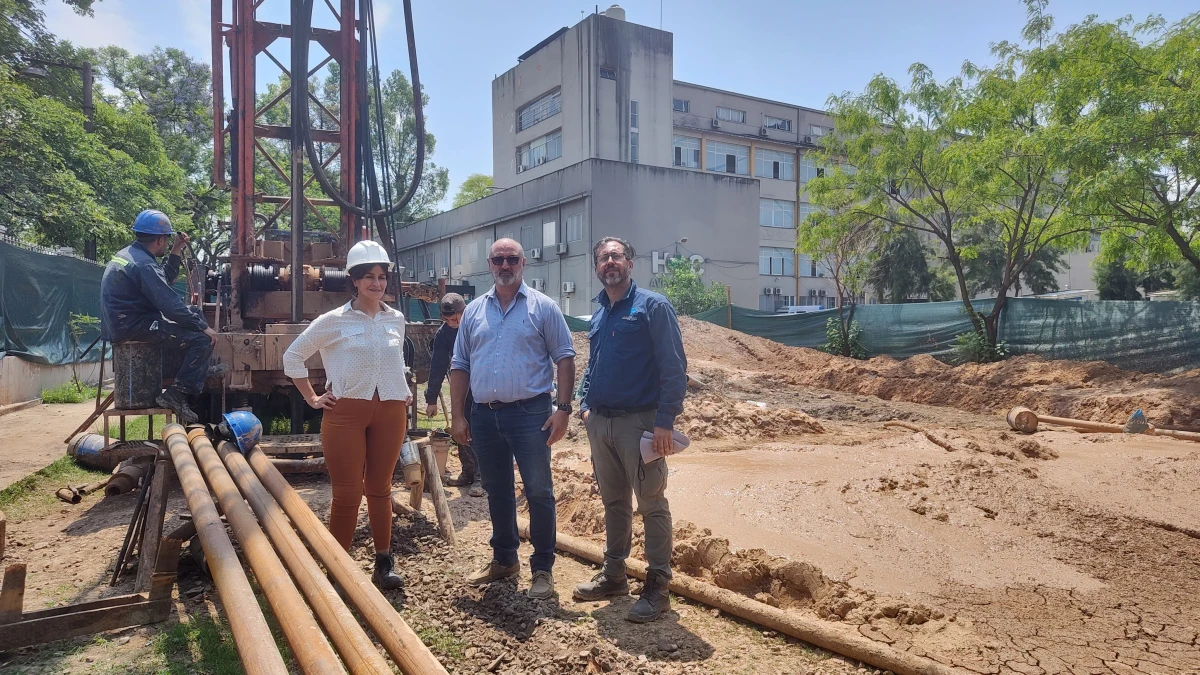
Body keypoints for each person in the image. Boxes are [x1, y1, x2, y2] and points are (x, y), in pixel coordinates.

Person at [449, 238, 576, 599]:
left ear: (524, 263)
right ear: (489, 264)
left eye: (512, 259)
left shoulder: (543, 308)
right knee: (497, 490)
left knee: (538, 491)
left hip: (531, 414)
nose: (505, 265)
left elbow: (565, 358)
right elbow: (459, 365)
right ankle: (504, 560)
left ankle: (542, 569)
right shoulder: (473, 311)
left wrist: (563, 410)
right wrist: (458, 415)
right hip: (485, 417)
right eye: (498, 259)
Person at [283, 239, 413, 590]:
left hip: (390, 410)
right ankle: (338, 568)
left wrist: (402, 385)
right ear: (354, 280)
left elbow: (393, 360)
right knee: (347, 492)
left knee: (381, 489)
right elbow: (292, 357)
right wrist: (312, 397)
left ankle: (383, 562)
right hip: (345, 414)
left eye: (382, 276)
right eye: (368, 276)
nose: (377, 283)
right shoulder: (333, 321)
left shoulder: (396, 319)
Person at [574, 236, 687, 623]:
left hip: (641, 423)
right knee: (613, 502)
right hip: (601, 422)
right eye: (603, 257)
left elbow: (674, 368)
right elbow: (593, 364)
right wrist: (584, 404)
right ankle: (614, 575)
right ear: (597, 267)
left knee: (652, 504)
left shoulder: (653, 307)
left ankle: (657, 588)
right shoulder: (601, 311)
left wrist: (665, 423)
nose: (610, 262)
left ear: (630, 263)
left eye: (616, 256)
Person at [100, 209, 217, 424]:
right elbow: (170, 305)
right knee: (201, 340)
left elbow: (162, 282)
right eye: (167, 240)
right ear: (160, 239)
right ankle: (177, 394)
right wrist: (204, 327)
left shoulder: (131, 255)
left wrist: (175, 250)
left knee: (193, 314)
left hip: (125, 322)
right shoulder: (143, 264)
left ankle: (195, 372)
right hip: (135, 326)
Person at [424, 293, 484, 497]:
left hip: (484, 389)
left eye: (455, 319)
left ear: (464, 311)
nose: (451, 323)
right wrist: (431, 399)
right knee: (460, 429)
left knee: (479, 432)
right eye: (447, 320)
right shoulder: (444, 334)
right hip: (462, 389)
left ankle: (481, 478)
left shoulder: (479, 326)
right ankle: (467, 472)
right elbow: (437, 365)